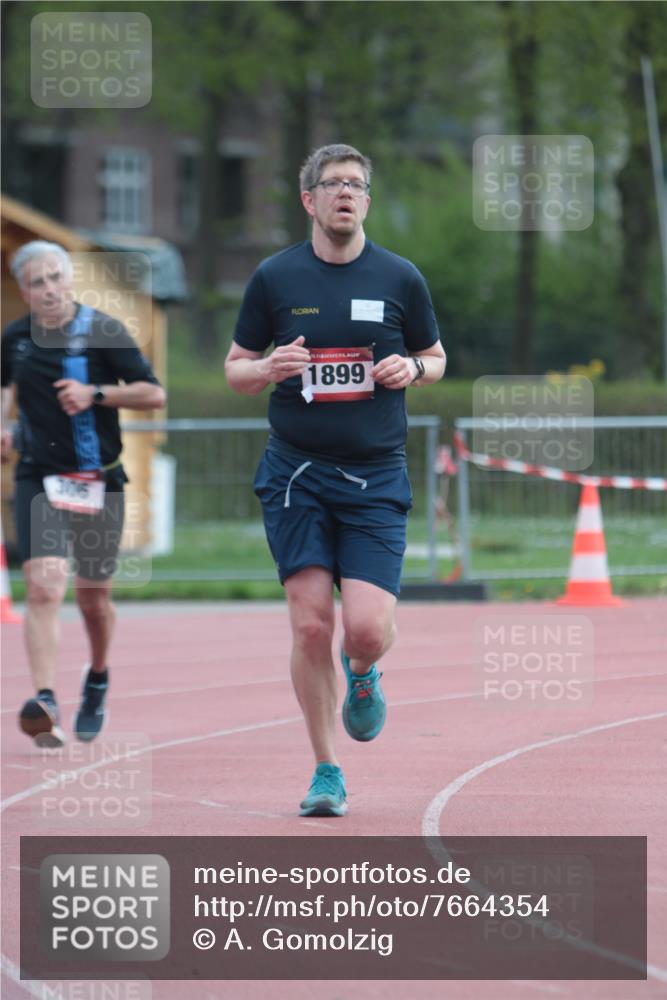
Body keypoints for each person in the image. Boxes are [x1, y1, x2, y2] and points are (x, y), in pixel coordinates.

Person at [224, 144, 446, 816]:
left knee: (365, 629)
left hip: (375, 477)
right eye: (333, 183)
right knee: (311, 625)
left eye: (357, 184)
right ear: (309, 200)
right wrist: (267, 368)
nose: (346, 193)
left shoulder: (400, 278)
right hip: (295, 474)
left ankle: (364, 673)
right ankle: (326, 771)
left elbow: (434, 357)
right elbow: (235, 367)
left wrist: (411, 370)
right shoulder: (274, 277)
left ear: (366, 201)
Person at [1, 241, 166, 747]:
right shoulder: (15, 339)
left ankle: (96, 678)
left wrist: (96, 394)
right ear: (24, 291)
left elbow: (153, 392)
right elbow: (5, 394)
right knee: (46, 586)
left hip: (98, 479)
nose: (47, 290)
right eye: (36, 283)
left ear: (69, 279)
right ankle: (46, 699)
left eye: (54, 278)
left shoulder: (103, 330)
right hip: (38, 478)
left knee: (94, 600)